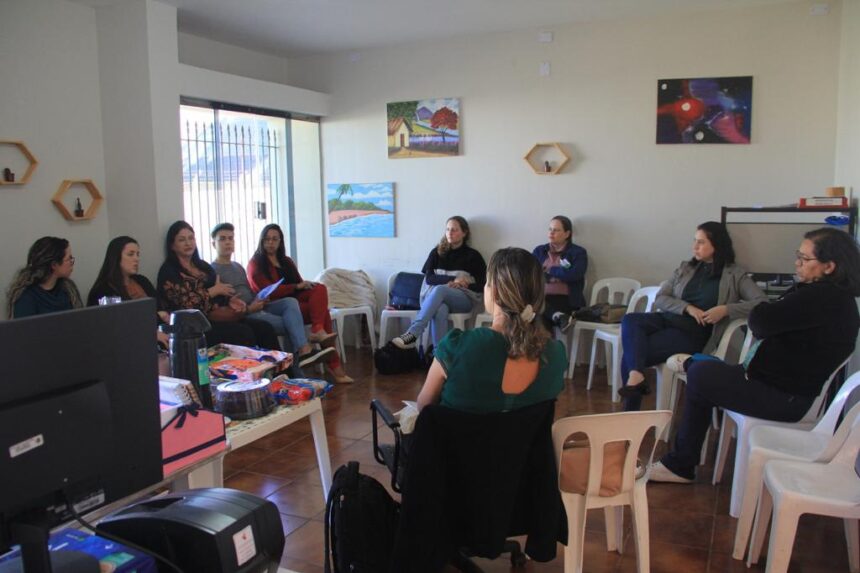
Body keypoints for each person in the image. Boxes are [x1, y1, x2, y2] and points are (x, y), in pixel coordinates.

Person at [651, 227, 860, 483]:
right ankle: (681, 461)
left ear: (829, 266)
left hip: (783, 398)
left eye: (805, 259)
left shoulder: (820, 297)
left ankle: (681, 462)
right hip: (777, 385)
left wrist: (772, 306)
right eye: (798, 255)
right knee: (703, 375)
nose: (797, 263)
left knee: (700, 375)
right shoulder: (833, 297)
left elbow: (760, 321)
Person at [616, 221, 767, 410]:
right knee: (630, 319)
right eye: (694, 241)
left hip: (692, 333)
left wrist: (726, 309)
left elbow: (762, 302)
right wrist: (687, 308)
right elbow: (661, 297)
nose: (694, 247)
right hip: (667, 319)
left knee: (631, 356)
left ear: (717, 244)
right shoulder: (686, 268)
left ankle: (630, 411)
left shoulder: (735, 275)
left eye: (701, 242)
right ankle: (636, 380)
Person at [417, 247, 567, 413]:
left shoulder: (456, 346)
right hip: (525, 431)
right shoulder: (556, 354)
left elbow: (424, 408)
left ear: (494, 291)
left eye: (487, 282)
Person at [210, 223, 332, 370]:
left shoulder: (238, 266)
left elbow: (249, 290)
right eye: (222, 239)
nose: (228, 242)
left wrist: (259, 298)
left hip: (258, 304)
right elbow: (220, 302)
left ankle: (303, 354)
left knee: (290, 302)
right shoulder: (212, 270)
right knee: (292, 323)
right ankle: (298, 364)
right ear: (214, 244)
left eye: (230, 238)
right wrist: (249, 307)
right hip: (245, 312)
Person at [246, 223, 353, 383]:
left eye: (275, 239)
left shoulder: (286, 261)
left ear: (280, 241)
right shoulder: (256, 263)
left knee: (319, 289)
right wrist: (295, 287)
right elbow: (269, 292)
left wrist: (303, 286)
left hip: (294, 302)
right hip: (273, 305)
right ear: (261, 241)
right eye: (267, 239)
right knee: (322, 312)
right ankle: (334, 366)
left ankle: (318, 330)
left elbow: (299, 283)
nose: (270, 243)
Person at [156, 220, 280, 350]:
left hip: (218, 316)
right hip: (193, 326)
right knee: (243, 332)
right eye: (182, 240)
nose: (188, 243)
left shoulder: (202, 266)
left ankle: (281, 364)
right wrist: (212, 292)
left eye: (191, 238)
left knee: (264, 328)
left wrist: (230, 301)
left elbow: (220, 293)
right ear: (172, 245)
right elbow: (186, 305)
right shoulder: (169, 271)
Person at [393, 216, 487, 351]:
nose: (450, 233)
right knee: (440, 309)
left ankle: (413, 333)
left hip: (463, 300)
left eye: (454, 230)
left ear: (464, 233)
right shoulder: (437, 252)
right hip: (437, 299)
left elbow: (483, 284)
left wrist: (463, 284)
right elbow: (429, 278)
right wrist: (453, 280)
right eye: (447, 229)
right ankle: (439, 355)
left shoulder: (473, 256)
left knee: (440, 289)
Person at [87, 235, 169, 346]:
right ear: (116, 257)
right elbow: (116, 326)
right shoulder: (103, 291)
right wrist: (152, 329)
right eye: (130, 254)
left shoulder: (142, 281)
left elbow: (160, 310)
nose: (136, 259)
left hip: (159, 337)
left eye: (138, 254)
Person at [531, 215, 587, 331]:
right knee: (533, 307)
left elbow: (575, 274)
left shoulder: (578, 252)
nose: (551, 233)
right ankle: (558, 316)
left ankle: (556, 318)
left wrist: (550, 270)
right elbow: (531, 273)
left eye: (556, 230)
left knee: (538, 315)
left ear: (567, 234)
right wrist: (558, 275)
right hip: (541, 297)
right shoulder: (539, 251)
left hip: (566, 300)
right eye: (550, 229)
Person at [6, 236, 82, 319]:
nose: (72, 263)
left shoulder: (68, 289)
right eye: (69, 259)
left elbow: (80, 320)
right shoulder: (26, 297)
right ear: (54, 265)